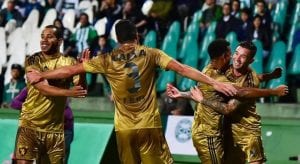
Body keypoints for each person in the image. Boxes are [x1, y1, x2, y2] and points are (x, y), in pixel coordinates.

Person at [26, 20, 237, 163]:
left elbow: (70, 69)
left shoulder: (105, 59)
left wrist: (42, 75)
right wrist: (214, 82)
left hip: (124, 129)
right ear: (136, 36)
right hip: (149, 126)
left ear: (117, 39)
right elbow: (183, 69)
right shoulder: (151, 53)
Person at [166, 39, 288, 164]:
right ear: (225, 57)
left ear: (250, 61)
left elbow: (230, 105)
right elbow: (206, 93)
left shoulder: (243, 79)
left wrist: (272, 86)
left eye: (243, 56)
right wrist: (272, 89)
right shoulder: (221, 72)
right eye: (235, 53)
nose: (236, 58)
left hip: (246, 128)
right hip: (220, 131)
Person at [13, 25, 87, 164]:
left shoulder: (69, 62)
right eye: (42, 36)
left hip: (55, 129)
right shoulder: (33, 60)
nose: (44, 40)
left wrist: (82, 70)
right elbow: (43, 88)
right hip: (29, 124)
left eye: (49, 36)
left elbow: (82, 90)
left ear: (59, 41)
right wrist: (69, 92)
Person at [10, 87, 74, 164]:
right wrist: (32, 108)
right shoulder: (32, 87)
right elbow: (14, 103)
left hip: (62, 130)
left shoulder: (59, 87)